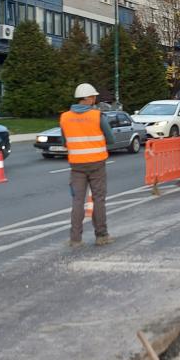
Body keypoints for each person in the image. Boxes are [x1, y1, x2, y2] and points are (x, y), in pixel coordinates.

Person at [61, 83, 113, 247]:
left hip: (77, 165)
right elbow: (110, 138)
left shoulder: (65, 117)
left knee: (77, 201)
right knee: (98, 199)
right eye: (94, 97)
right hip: (97, 163)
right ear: (89, 98)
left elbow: (64, 142)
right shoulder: (98, 116)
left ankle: (75, 239)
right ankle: (101, 236)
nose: (95, 99)